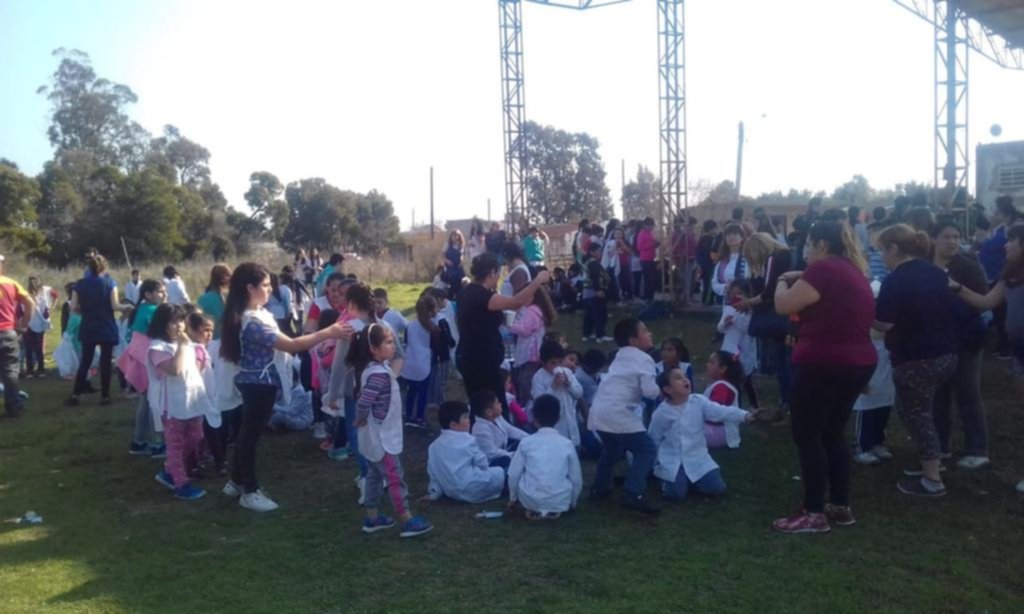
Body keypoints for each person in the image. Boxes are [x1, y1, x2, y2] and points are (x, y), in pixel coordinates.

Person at [219, 263, 352, 512]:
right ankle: (250, 491)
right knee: (250, 437)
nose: (271, 290)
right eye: (266, 285)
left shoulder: (253, 313)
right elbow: (291, 345)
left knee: (247, 434)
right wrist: (329, 332)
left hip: (259, 383)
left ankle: (236, 482)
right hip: (258, 384)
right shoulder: (252, 321)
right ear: (250, 288)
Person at [771, 220, 876, 533]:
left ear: (820, 245)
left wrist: (781, 279)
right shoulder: (852, 271)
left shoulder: (824, 270)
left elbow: (783, 305)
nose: (804, 252)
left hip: (825, 361)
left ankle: (813, 511)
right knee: (832, 432)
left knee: (808, 434)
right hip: (856, 361)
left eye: (808, 245)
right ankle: (839, 504)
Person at [874, 224, 960, 498]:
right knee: (917, 410)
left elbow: (884, 324)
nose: (882, 257)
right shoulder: (936, 272)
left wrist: (863, 311)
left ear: (894, 249)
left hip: (915, 358)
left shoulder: (895, 280)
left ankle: (932, 480)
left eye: (882, 251)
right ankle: (931, 460)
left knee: (917, 415)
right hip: (946, 354)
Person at [953, 224, 1024, 493]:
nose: (1005, 246)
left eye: (1011, 241)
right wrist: (956, 288)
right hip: (1019, 349)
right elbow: (986, 302)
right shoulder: (1010, 275)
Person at [344, 322, 432, 537]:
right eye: (390, 342)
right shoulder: (379, 375)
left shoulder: (371, 370)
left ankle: (373, 517)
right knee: (394, 477)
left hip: (373, 437)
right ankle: (406, 518)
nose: (394, 346)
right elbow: (364, 402)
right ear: (374, 348)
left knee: (374, 477)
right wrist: (360, 418)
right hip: (382, 438)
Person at [325, 284, 405, 485]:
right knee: (383, 431)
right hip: (385, 392)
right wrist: (390, 378)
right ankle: (385, 473)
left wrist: (332, 394)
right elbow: (400, 355)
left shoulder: (349, 329)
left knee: (359, 433)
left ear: (351, 304)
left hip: (357, 390)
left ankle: (367, 476)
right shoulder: (384, 326)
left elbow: (340, 366)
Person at [456, 253, 550, 419]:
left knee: (478, 404)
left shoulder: (466, 292)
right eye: (498, 274)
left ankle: (481, 435)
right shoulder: (482, 295)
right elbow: (516, 302)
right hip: (481, 359)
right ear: (492, 272)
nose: (499, 278)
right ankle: (497, 438)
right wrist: (537, 281)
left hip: (468, 355)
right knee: (493, 406)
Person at [930, 220, 990, 469]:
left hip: (965, 339)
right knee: (938, 396)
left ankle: (977, 448)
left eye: (956, 236)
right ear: (934, 239)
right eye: (946, 236)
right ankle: (941, 445)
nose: (952, 241)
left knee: (968, 393)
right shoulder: (924, 266)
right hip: (935, 341)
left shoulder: (968, 266)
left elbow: (982, 301)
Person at [587, 318, 661, 514]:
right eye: (645, 331)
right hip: (618, 412)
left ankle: (599, 488)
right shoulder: (645, 359)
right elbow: (649, 391)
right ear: (633, 340)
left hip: (599, 410)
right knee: (646, 449)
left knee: (611, 449)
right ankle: (634, 492)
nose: (650, 333)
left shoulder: (620, 355)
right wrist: (662, 388)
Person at [649, 367, 755, 501]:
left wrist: (745, 416)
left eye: (685, 376)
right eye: (678, 378)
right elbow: (654, 438)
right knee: (676, 495)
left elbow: (720, 411)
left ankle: (690, 481)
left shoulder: (698, 401)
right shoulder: (661, 413)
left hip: (697, 458)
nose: (685, 380)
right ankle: (665, 480)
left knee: (717, 488)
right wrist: (654, 464)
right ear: (668, 389)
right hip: (672, 460)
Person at [147, 304, 216, 501]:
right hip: (172, 405)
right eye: (173, 321)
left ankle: (170, 469)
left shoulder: (184, 343)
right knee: (175, 444)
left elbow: (194, 369)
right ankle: (180, 483)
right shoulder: (157, 348)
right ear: (162, 324)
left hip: (191, 400)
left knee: (196, 436)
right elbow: (175, 369)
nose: (179, 325)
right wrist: (184, 347)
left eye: (180, 320)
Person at [739, 232, 793, 410]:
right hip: (788, 314)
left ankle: (787, 402)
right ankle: (786, 402)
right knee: (784, 361)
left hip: (781, 317)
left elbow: (770, 292)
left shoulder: (775, 258)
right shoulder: (785, 256)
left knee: (784, 363)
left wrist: (749, 303)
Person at [507, 394, 583, 520]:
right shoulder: (567, 444)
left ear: (534, 419)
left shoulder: (526, 442)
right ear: (558, 418)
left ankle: (535, 508)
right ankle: (553, 508)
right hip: (560, 498)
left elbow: (514, 474)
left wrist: (513, 499)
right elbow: (576, 478)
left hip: (529, 498)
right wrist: (572, 502)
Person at [66, 255, 121, 407]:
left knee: (85, 361)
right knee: (105, 362)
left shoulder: (79, 284)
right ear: (105, 267)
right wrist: (127, 308)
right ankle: (105, 396)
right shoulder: (110, 283)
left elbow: (73, 307)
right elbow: (115, 306)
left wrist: (85, 309)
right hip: (106, 324)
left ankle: (76, 394)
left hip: (88, 324)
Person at [120, 280, 167, 456]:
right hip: (148, 360)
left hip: (139, 358)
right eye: (160, 292)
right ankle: (157, 444)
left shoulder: (140, 309)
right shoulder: (154, 311)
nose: (164, 295)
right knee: (154, 403)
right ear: (148, 294)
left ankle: (138, 441)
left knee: (145, 402)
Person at [426, 400, 505, 503]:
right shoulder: (467, 440)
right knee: (503, 470)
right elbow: (483, 463)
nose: (469, 421)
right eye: (465, 418)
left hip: (451, 492)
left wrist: (434, 492)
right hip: (472, 487)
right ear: (454, 425)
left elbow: (434, 473)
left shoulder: (433, 446)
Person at [977, 196, 1020, 357]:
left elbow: (993, 246)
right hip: (994, 275)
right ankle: (1004, 344)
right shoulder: (998, 229)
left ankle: (1006, 346)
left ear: (1006, 216)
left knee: (1003, 313)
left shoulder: (1010, 231)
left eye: (997, 213)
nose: (993, 216)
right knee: (999, 312)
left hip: (1001, 275)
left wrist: (982, 241)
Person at [852, 324, 895, 466]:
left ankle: (878, 442)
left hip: (888, 347)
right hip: (866, 345)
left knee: (885, 401)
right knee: (866, 400)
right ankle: (862, 447)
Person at [508, 287, 556, 405]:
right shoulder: (537, 310)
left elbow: (526, 330)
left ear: (532, 297)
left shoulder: (531, 311)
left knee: (526, 381)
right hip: (535, 351)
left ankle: (528, 405)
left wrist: (510, 325)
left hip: (530, 353)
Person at [531, 340, 583, 447]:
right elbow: (539, 403)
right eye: (553, 363)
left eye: (559, 362)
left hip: (570, 421)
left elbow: (578, 393)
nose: (556, 366)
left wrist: (569, 384)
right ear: (543, 362)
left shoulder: (566, 372)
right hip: (554, 427)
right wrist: (553, 386)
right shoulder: (538, 378)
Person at [0, 256, 34, 418]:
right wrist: (24, 325)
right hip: (8, 332)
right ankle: (13, 406)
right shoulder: (11, 283)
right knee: (10, 371)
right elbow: (30, 303)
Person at [717, 281, 759, 410]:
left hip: (744, 349)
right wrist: (725, 323)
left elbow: (747, 328)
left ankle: (754, 406)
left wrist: (735, 319)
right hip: (729, 348)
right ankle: (736, 407)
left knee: (746, 380)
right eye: (733, 294)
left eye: (740, 294)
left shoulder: (750, 312)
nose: (736, 297)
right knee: (732, 380)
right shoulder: (728, 309)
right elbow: (720, 329)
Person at [401, 296, 436, 429]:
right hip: (424, 363)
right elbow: (435, 346)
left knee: (411, 391)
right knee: (423, 393)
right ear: (431, 310)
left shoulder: (410, 325)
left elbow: (406, 342)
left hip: (410, 362)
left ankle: (408, 416)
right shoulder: (431, 327)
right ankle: (420, 417)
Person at [470, 388, 528, 469]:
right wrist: (514, 455)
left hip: (505, 452)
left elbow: (511, 430)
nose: (500, 404)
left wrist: (531, 438)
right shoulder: (480, 430)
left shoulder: (497, 418)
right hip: (493, 463)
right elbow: (492, 453)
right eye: (497, 403)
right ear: (489, 412)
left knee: (524, 443)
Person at [310, 308, 341, 442]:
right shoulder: (332, 341)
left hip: (316, 379)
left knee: (320, 407)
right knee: (332, 411)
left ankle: (321, 431)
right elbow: (326, 362)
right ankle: (333, 438)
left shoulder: (315, 339)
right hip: (329, 381)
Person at [425, 288, 456, 407]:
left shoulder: (425, 321)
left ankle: (431, 400)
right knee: (442, 379)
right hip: (443, 355)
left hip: (431, 355)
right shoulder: (441, 320)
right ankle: (440, 401)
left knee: (433, 377)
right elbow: (448, 336)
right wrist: (452, 343)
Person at [581, 242, 611, 343]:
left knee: (589, 315)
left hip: (587, 292)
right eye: (598, 251)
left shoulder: (586, 262)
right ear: (592, 252)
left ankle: (587, 334)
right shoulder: (593, 263)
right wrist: (599, 290)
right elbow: (595, 277)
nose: (600, 253)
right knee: (600, 314)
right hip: (594, 292)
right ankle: (600, 335)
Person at [23, 276, 51, 379]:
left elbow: (20, 312)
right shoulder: (42, 299)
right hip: (39, 325)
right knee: (39, 349)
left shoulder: (25, 298)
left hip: (28, 325)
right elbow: (46, 313)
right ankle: (41, 371)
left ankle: (30, 372)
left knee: (28, 350)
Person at [711, 223, 747, 304]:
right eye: (728, 235)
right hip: (728, 302)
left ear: (741, 237)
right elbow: (715, 283)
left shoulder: (748, 258)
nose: (731, 237)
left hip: (746, 301)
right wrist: (726, 287)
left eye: (735, 234)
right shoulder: (721, 261)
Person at [196, 264, 231, 343]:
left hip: (208, 340)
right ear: (223, 279)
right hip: (226, 339)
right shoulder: (229, 296)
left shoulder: (202, 298)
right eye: (229, 275)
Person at [637, 217, 660, 301]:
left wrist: (656, 243)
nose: (651, 227)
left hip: (652, 257)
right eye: (649, 226)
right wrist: (651, 244)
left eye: (652, 226)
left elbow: (653, 243)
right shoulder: (642, 234)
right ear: (645, 225)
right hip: (645, 259)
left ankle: (651, 296)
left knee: (653, 278)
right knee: (648, 279)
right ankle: (647, 296)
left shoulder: (651, 233)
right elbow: (639, 247)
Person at [442, 230, 466, 301]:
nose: (455, 237)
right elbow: (442, 254)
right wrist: (447, 260)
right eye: (453, 235)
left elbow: (462, 254)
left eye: (456, 235)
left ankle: (459, 299)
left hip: (457, 267)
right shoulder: (447, 244)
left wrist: (462, 259)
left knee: (459, 284)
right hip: (450, 267)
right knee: (452, 285)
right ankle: (450, 299)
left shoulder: (460, 245)